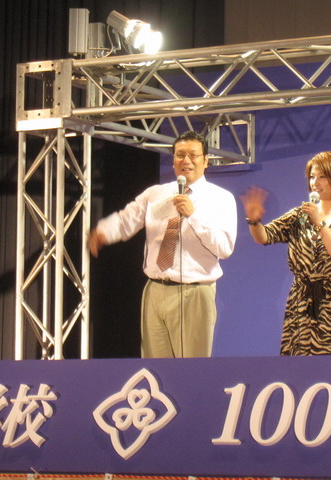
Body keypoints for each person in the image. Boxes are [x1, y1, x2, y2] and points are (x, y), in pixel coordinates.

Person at [89, 131, 237, 358]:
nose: (186, 161)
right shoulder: (155, 194)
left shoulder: (221, 198)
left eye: (193, 155)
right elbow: (127, 219)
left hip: (194, 292)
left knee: (191, 367)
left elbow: (224, 248)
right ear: (173, 160)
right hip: (155, 289)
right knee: (155, 366)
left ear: (206, 160)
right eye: (180, 155)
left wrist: (193, 215)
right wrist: (103, 232)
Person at [241, 151, 331, 356]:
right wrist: (254, 221)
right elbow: (264, 237)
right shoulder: (300, 215)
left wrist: (320, 223)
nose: (315, 182)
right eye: (312, 176)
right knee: (298, 365)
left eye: (322, 176)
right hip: (301, 302)